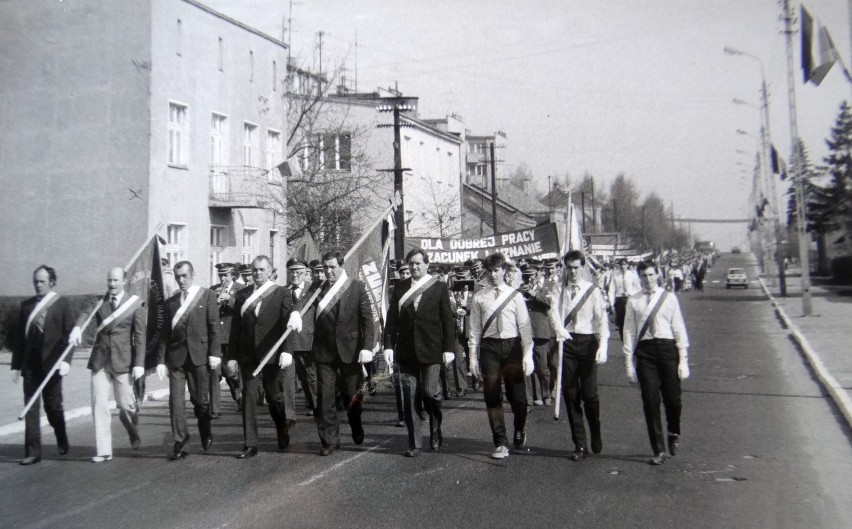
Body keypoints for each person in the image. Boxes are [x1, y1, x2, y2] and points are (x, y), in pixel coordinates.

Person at [225, 255, 302, 459]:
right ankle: (250, 443)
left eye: (261, 270)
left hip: (272, 354)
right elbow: (235, 330)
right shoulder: (242, 296)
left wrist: (287, 351)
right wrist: (231, 356)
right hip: (248, 356)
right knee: (248, 399)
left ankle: (281, 427)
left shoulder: (282, 293)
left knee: (275, 398)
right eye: (255, 270)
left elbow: (289, 326)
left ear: (270, 271)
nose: (258, 273)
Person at [384, 249, 456, 457]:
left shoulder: (439, 287)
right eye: (411, 264)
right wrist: (388, 345)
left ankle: (435, 427)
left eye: (418, 263)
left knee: (429, 392)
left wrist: (449, 349)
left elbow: (447, 322)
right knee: (409, 397)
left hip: (432, 349)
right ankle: (414, 443)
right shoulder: (400, 288)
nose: (414, 267)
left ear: (426, 265)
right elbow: (392, 321)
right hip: (406, 352)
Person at [623, 260, 690, 465]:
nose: (648, 279)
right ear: (639, 277)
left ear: (657, 275)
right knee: (651, 402)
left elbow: (678, 328)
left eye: (651, 275)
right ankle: (658, 449)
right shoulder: (633, 301)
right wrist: (628, 362)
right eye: (644, 276)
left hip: (668, 350)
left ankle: (673, 431)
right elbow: (629, 331)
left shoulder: (669, 298)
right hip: (646, 353)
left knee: (674, 400)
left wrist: (683, 359)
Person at [308, 251, 375, 456]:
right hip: (324, 352)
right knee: (325, 399)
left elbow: (367, 320)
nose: (328, 272)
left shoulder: (356, 287)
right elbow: (302, 303)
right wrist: (295, 312)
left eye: (332, 267)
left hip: (350, 351)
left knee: (351, 397)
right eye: (325, 268)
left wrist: (367, 347)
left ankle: (356, 423)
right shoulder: (317, 287)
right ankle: (330, 440)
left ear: (341, 266)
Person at [468, 252, 534, 460]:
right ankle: (500, 443)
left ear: (504, 271)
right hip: (490, 349)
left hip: (512, 346)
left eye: (497, 270)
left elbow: (525, 328)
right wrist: (472, 358)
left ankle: (520, 428)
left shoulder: (514, 296)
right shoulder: (479, 297)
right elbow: (474, 331)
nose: (493, 274)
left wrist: (528, 355)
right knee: (492, 394)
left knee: (518, 398)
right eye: (490, 271)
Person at [78, 267, 146, 463]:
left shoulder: (134, 304)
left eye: (116, 280)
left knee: (126, 406)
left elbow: (140, 337)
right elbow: (85, 314)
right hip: (101, 360)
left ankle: (132, 430)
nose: (112, 284)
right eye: (109, 280)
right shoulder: (100, 301)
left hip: (124, 361)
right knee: (99, 404)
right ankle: (104, 450)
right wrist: (76, 329)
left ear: (124, 281)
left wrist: (139, 363)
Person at [10, 265, 75, 465]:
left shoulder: (62, 304)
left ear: (52, 282)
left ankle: (61, 435)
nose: (38, 285)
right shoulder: (26, 306)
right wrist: (15, 365)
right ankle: (32, 452)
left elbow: (69, 336)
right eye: (36, 281)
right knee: (31, 407)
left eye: (42, 281)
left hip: (53, 365)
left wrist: (66, 361)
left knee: (53, 407)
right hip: (31, 365)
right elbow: (20, 339)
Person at [548, 250, 609, 461]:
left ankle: (596, 429)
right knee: (571, 394)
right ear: (565, 267)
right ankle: (580, 445)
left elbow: (601, 320)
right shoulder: (559, 289)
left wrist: (603, 345)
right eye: (569, 267)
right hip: (567, 343)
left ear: (583, 268)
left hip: (588, 343)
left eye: (576, 267)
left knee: (590, 394)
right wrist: (559, 329)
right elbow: (553, 311)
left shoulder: (592, 291)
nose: (572, 272)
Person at [156, 261, 220, 460]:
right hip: (176, 359)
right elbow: (165, 334)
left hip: (199, 357)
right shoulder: (171, 302)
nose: (181, 280)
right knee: (175, 402)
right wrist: (160, 360)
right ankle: (180, 442)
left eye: (184, 276)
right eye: (177, 277)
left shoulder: (207, 295)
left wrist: (214, 354)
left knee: (200, 402)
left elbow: (214, 328)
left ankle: (205, 427)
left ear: (192, 274)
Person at [284, 258, 319, 416]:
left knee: (309, 376)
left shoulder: (313, 290)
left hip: (307, 340)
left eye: (298, 271)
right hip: (286, 342)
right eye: (292, 271)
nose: (295, 275)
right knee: (287, 379)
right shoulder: (282, 291)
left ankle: (315, 406)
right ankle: (288, 414)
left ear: (306, 273)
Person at [211, 262, 243, 414]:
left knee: (231, 372)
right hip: (217, 337)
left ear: (233, 275)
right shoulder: (213, 289)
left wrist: (229, 298)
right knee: (214, 372)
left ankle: (240, 396)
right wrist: (214, 301)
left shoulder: (242, 289)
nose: (222, 278)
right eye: (220, 275)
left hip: (232, 336)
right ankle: (215, 408)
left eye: (226, 275)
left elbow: (244, 308)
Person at [519, 262, 553, 407]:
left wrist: (533, 293)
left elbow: (548, 303)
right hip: (526, 332)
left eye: (531, 276)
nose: (528, 279)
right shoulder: (520, 290)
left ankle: (546, 393)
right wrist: (520, 293)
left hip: (540, 332)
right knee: (528, 366)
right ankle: (534, 395)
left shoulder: (545, 288)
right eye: (526, 276)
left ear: (538, 274)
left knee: (542, 367)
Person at [608, 259, 641, 339]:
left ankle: (632, 337)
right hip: (619, 300)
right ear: (619, 265)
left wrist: (631, 294)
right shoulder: (615, 275)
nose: (623, 266)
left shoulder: (632, 275)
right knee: (621, 321)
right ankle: (623, 338)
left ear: (627, 265)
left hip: (629, 299)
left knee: (631, 320)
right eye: (621, 265)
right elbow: (611, 290)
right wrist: (611, 303)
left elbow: (638, 288)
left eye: (625, 264)